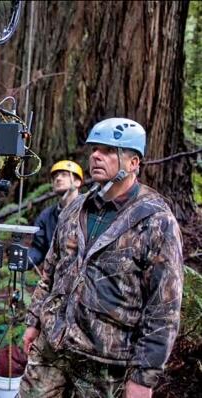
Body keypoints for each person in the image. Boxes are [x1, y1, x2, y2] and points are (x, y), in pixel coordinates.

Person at [20, 118, 183, 398]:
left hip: (106, 364)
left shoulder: (155, 221)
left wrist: (144, 377)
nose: (96, 155)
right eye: (95, 149)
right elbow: (50, 272)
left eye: (109, 150)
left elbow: (164, 307)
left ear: (133, 163)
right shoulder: (75, 210)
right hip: (52, 349)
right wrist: (34, 322)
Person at [28, 160, 83, 270]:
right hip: (57, 278)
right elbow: (39, 248)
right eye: (55, 176)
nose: (58, 178)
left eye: (64, 175)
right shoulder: (47, 215)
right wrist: (23, 260)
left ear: (77, 182)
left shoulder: (89, 209)